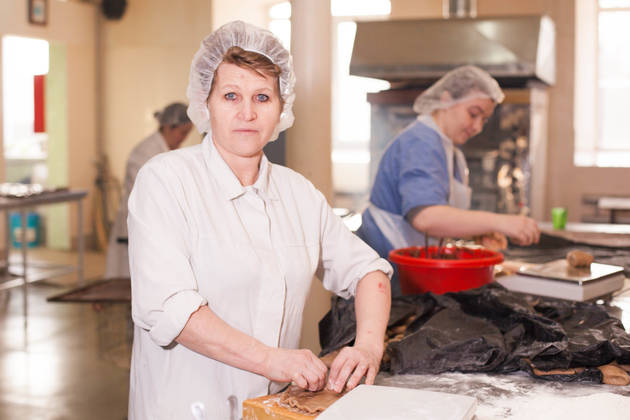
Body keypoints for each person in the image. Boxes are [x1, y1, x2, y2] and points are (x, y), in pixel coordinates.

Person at [127, 21, 392, 420]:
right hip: (186, 408)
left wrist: (369, 346)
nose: (247, 113)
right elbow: (169, 307)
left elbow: (368, 271)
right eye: (231, 96)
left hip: (272, 410)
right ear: (206, 102)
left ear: (281, 107)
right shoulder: (166, 180)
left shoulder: (298, 193)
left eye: (263, 97)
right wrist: (272, 360)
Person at [356, 65, 540, 296]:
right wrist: (500, 222)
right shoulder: (421, 142)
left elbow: (440, 216)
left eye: (484, 119)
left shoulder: (450, 152)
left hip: (411, 267)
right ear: (446, 100)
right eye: (473, 114)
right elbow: (426, 217)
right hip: (384, 267)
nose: (478, 127)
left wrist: (476, 232)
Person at [104, 102, 192, 279]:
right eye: (182, 133)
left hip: (159, 224)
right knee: (131, 276)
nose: (183, 139)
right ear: (168, 127)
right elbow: (149, 192)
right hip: (141, 222)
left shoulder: (169, 151)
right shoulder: (144, 152)